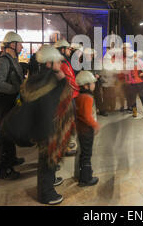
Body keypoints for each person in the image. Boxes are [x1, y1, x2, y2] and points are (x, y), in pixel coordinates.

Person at [16, 45, 75, 205]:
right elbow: (54, 103)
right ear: (49, 63)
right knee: (47, 161)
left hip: (47, 129)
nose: (59, 64)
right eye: (56, 62)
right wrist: (62, 79)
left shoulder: (42, 78)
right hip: (48, 130)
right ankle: (46, 193)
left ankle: (49, 182)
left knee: (49, 161)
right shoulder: (46, 81)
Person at [0, 31, 25, 180]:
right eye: (20, 44)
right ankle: (3, 170)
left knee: (10, 132)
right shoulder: (3, 61)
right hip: (4, 104)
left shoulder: (13, 59)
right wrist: (15, 89)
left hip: (11, 102)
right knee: (3, 136)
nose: (22, 46)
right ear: (12, 45)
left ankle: (11, 159)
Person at [74, 71, 100, 186]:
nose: (94, 85)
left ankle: (84, 174)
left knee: (84, 153)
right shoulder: (87, 97)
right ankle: (86, 178)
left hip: (81, 129)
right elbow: (87, 116)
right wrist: (95, 125)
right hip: (86, 130)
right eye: (92, 83)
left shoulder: (79, 95)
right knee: (87, 154)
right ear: (86, 85)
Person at [55, 39, 79, 156]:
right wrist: (80, 89)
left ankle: (66, 144)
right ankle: (65, 147)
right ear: (62, 50)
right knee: (66, 122)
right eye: (68, 49)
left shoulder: (65, 61)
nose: (70, 51)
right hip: (68, 97)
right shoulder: (63, 63)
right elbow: (70, 81)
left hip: (69, 96)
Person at [127, 51, 143, 118]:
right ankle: (134, 111)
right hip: (132, 83)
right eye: (133, 56)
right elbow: (127, 74)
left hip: (140, 82)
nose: (134, 57)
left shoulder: (140, 62)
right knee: (133, 97)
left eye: (135, 55)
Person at [84, 47, 108, 116]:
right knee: (89, 97)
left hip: (96, 82)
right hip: (88, 82)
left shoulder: (95, 61)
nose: (91, 56)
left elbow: (100, 69)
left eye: (91, 54)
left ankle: (101, 110)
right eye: (89, 54)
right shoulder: (84, 63)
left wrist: (98, 75)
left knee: (98, 96)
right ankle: (89, 111)